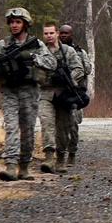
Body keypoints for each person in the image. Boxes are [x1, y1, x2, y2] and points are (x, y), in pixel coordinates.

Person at [0, 8, 56, 181]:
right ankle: (11, 165)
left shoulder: (36, 44)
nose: (14, 25)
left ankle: (24, 167)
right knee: (11, 127)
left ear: (26, 24)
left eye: (18, 22)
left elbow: (51, 63)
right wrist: (3, 72)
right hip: (9, 91)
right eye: (12, 22)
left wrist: (30, 57)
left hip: (29, 91)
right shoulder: (3, 44)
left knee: (28, 129)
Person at [36, 22, 84, 173]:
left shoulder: (68, 51)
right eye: (46, 33)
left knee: (63, 128)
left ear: (56, 33)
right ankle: (49, 157)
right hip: (45, 93)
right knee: (47, 123)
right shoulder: (39, 51)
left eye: (51, 33)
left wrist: (69, 79)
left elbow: (79, 69)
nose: (49, 36)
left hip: (64, 95)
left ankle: (61, 157)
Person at [58, 24, 92, 167]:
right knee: (60, 125)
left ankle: (72, 152)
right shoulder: (54, 50)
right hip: (60, 93)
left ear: (71, 35)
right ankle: (59, 154)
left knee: (73, 125)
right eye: (62, 33)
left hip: (76, 92)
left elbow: (88, 69)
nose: (64, 35)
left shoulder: (80, 52)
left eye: (67, 33)